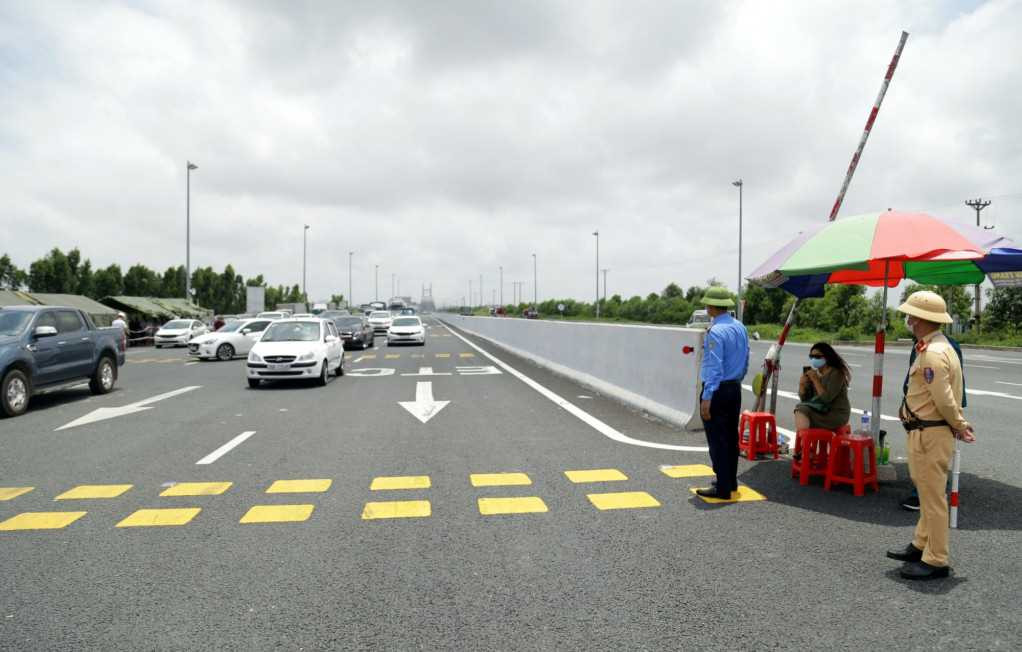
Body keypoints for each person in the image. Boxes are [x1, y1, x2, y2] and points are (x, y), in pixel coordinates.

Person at [886, 291, 976, 580]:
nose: (909, 320)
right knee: (927, 494)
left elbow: (944, 398)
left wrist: (960, 425)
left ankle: (936, 560)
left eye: (912, 315)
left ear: (925, 319)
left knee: (934, 499)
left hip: (930, 432)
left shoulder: (933, 354)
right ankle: (921, 544)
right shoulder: (934, 346)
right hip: (925, 430)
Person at [900, 331, 967, 511]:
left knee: (932, 460)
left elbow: (955, 384)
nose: (910, 321)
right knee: (920, 459)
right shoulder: (919, 344)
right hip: (916, 412)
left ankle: (925, 496)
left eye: (913, 317)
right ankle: (924, 495)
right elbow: (912, 379)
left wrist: (957, 419)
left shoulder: (945, 347)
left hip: (934, 415)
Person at [695, 287, 750, 499]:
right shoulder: (740, 327)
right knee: (730, 436)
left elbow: (715, 367)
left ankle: (722, 486)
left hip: (717, 389)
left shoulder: (715, 332)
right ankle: (731, 480)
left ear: (711, 306)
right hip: (734, 387)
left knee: (717, 439)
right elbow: (745, 359)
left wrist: (707, 396)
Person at [794, 342, 852, 434]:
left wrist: (815, 380)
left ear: (827, 357)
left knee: (802, 410)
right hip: (820, 410)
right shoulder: (815, 373)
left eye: (817, 357)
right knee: (801, 408)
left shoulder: (836, 373)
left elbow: (826, 398)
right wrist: (802, 385)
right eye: (811, 356)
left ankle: (805, 444)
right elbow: (806, 400)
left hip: (835, 413)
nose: (814, 359)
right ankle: (805, 442)